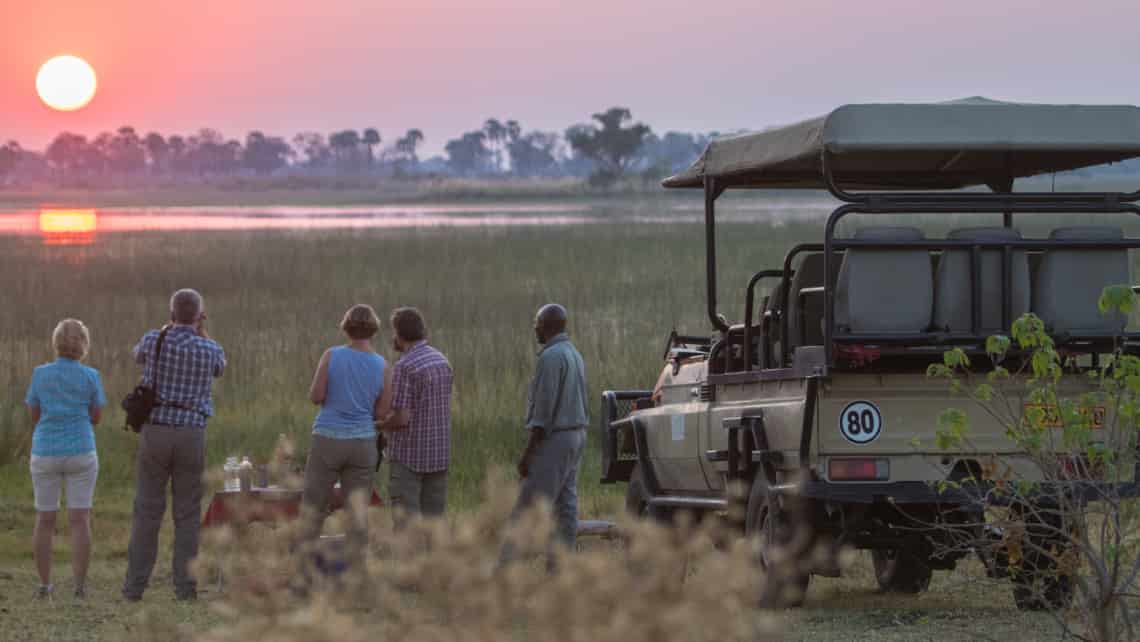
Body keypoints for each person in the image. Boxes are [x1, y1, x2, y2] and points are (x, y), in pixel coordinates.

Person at [122, 289, 226, 602]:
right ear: (200, 315)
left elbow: (137, 355)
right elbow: (220, 369)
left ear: (171, 313)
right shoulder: (210, 347)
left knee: (147, 510)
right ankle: (185, 587)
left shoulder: (155, 339)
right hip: (192, 433)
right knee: (188, 513)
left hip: (155, 431)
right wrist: (199, 330)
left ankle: (134, 587)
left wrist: (171, 327)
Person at [299, 304, 389, 567]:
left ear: (346, 327)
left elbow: (316, 396)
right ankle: (357, 579)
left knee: (313, 508)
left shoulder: (332, 355)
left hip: (328, 438)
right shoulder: (382, 365)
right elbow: (382, 411)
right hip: (363, 443)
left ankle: (304, 574)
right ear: (373, 329)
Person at [25, 319, 107, 600]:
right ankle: (80, 586)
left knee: (45, 519)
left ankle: (45, 585)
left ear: (56, 342)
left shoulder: (39, 374)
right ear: (83, 345)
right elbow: (96, 417)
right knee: (80, 519)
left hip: (45, 451)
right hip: (81, 450)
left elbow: (34, 416)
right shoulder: (91, 376)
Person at [504, 303, 589, 560]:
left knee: (528, 506)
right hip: (577, 435)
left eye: (537, 324)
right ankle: (561, 570)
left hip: (557, 439)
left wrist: (529, 454)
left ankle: (504, 570)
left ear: (547, 326)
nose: (535, 329)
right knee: (565, 508)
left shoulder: (550, 357)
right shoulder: (573, 353)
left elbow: (543, 413)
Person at [376, 307, 454, 523]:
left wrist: (380, 426)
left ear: (399, 334)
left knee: (407, 527)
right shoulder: (441, 360)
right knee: (433, 526)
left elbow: (402, 418)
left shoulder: (405, 366)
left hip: (409, 458)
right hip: (439, 455)